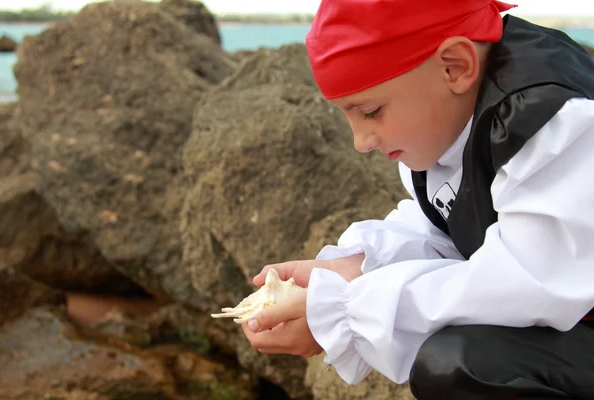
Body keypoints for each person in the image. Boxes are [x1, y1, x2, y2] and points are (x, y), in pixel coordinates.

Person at [241, 0, 594, 398]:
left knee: (460, 364)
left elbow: (528, 280)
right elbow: (443, 228)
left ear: (455, 66)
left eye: (371, 111)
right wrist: (354, 270)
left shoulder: (552, 120)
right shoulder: (443, 121)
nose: (360, 142)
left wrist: (345, 312)